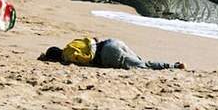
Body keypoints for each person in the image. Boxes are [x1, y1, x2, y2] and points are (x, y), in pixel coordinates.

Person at [40, 37, 186, 70]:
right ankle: (173, 64)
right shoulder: (72, 43)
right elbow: (93, 39)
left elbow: (84, 59)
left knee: (142, 67)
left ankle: (173, 66)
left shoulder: (66, 56)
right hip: (111, 42)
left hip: (107, 54)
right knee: (142, 61)